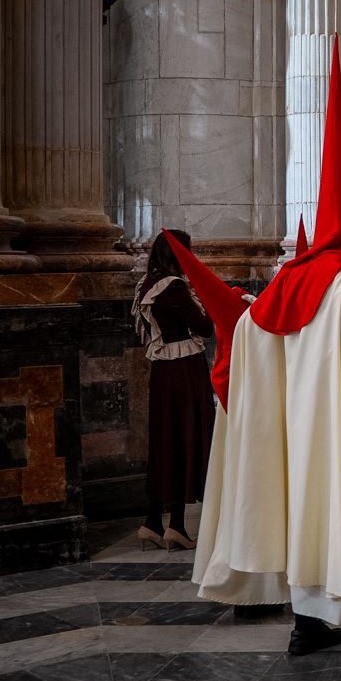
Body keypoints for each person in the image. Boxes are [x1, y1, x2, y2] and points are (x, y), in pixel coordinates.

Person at [190, 37, 341, 656]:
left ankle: (308, 626)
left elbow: (249, 333)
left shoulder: (287, 279)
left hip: (295, 428)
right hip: (339, 426)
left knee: (304, 511)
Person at [132, 229, 217, 551]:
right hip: (185, 372)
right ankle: (177, 526)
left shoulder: (146, 285)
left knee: (164, 441)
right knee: (185, 439)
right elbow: (204, 327)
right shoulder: (175, 287)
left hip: (162, 371)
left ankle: (153, 521)